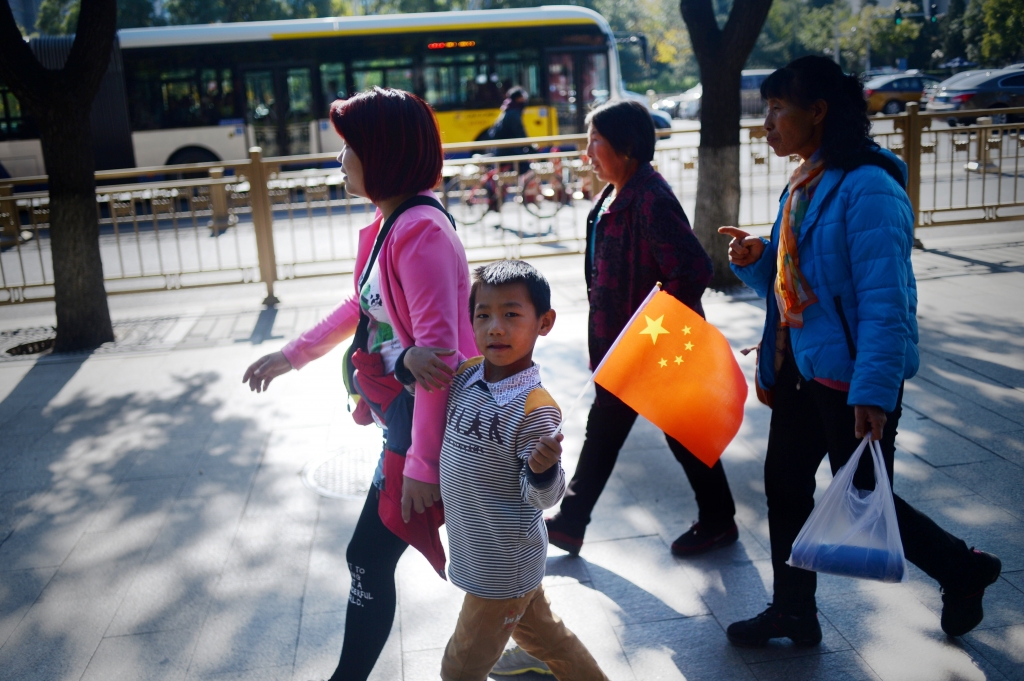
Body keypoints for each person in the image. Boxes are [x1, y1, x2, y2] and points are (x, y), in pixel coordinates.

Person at [721, 55, 1001, 647]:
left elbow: (884, 302)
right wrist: (757, 259)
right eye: (765, 110)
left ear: (818, 112)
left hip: (852, 377)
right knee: (786, 485)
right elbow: (802, 278)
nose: (767, 123)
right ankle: (792, 610)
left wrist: (873, 393)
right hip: (802, 365)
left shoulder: (869, 187)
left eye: (777, 110)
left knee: (865, 498)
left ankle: (963, 569)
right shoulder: (806, 181)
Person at [241, 87, 477, 681]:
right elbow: (362, 303)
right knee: (486, 554)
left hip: (433, 428)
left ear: (385, 152)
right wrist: (293, 355)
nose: (340, 162)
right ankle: (535, 639)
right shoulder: (388, 223)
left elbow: (439, 360)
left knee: (369, 556)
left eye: (349, 149)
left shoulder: (419, 232)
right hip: (409, 420)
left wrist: (422, 464)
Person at [544, 99, 738, 558]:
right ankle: (572, 521)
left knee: (681, 433)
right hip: (620, 347)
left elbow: (693, 269)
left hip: (652, 346)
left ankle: (717, 520)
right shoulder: (612, 195)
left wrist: (648, 329)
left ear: (627, 146)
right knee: (607, 430)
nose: (588, 152)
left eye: (596, 141)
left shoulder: (650, 198)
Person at [406, 260, 609, 681]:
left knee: (459, 670)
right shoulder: (463, 375)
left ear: (544, 322)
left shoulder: (535, 408)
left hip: (501, 566)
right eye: (483, 315)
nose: (495, 327)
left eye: (512, 314)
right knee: (547, 640)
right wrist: (409, 358)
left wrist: (541, 469)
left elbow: (545, 498)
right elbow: (414, 383)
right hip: (485, 551)